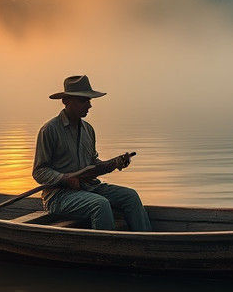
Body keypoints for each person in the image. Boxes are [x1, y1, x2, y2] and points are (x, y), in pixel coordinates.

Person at [33, 75, 152, 231]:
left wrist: (114, 163)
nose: (89, 105)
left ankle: (145, 243)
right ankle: (104, 250)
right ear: (66, 101)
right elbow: (39, 172)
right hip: (59, 196)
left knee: (130, 196)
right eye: (84, 101)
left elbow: (93, 165)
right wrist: (65, 178)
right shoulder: (50, 130)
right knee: (100, 205)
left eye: (89, 100)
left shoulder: (88, 129)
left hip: (89, 188)